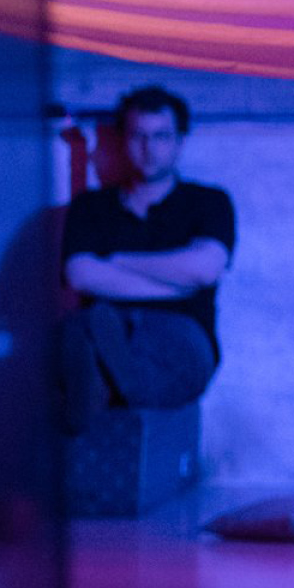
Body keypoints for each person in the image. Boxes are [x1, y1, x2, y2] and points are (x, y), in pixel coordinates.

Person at [58, 86, 237, 436]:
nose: (149, 149)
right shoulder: (91, 207)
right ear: (123, 140)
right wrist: (176, 283)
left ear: (180, 141)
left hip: (182, 332)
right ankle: (109, 372)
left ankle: (103, 390)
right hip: (105, 321)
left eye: (161, 137)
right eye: (139, 136)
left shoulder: (208, 202)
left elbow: (204, 269)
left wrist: (117, 259)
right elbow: (80, 274)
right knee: (81, 332)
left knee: (108, 343)